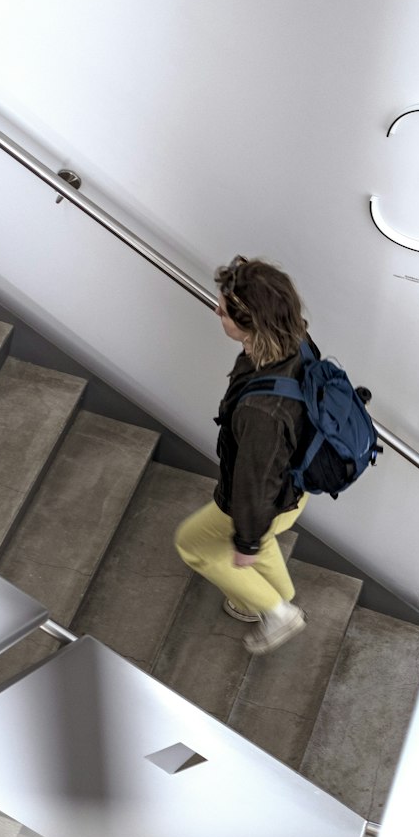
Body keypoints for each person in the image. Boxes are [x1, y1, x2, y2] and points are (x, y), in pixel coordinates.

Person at [175, 254, 311, 655]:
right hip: (294, 490)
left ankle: (278, 614)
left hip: (264, 499)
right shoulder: (298, 342)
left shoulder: (262, 411)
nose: (217, 310)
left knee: (193, 544)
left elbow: (254, 482)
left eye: (226, 311)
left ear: (252, 323)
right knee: (264, 538)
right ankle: (278, 595)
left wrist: (245, 542)